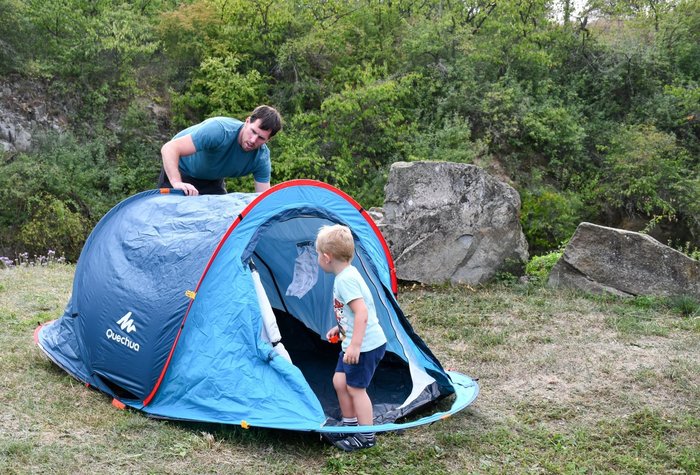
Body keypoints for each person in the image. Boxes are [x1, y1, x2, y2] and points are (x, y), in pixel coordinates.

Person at [316, 224, 387, 451]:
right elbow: (352, 313)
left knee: (356, 389)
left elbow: (362, 313)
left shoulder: (345, 280)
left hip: (364, 346)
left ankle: (366, 437)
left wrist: (355, 345)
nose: (318, 259)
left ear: (327, 257)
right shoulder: (347, 274)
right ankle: (349, 425)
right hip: (352, 343)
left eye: (317, 254)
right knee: (340, 382)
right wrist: (340, 329)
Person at [157, 105, 282, 196]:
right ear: (247, 122)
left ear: (268, 140)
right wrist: (177, 183)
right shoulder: (219, 131)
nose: (253, 140)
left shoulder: (261, 158)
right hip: (180, 171)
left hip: (212, 181)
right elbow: (169, 148)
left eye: (261, 138)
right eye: (253, 131)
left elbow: (263, 199)